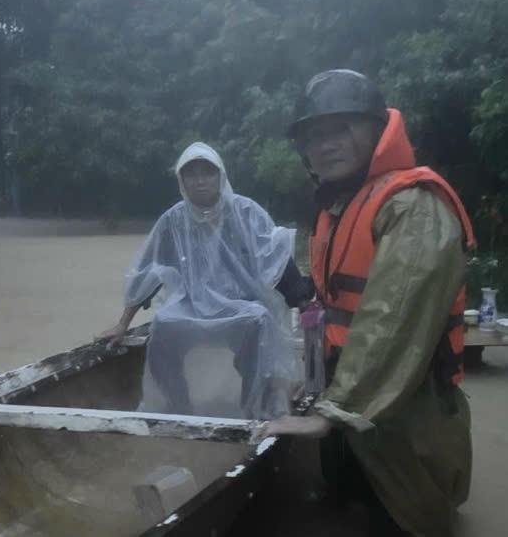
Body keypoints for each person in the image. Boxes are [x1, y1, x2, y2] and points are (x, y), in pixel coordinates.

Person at [265, 69, 474, 537]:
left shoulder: (412, 206)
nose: (326, 144)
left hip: (405, 407)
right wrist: (314, 379)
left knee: (405, 517)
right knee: (344, 503)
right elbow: (328, 307)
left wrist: (330, 410)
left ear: (378, 130)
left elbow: (392, 322)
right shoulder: (337, 206)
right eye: (314, 135)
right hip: (346, 392)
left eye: (342, 128)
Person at [98, 142, 311, 420]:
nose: (200, 180)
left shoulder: (246, 212)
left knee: (259, 320)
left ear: (220, 176)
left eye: (207, 173)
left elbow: (279, 263)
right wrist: (123, 323)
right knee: (163, 323)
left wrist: (304, 303)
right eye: (191, 174)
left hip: (241, 307)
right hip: (193, 308)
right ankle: (177, 406)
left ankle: (255, 408)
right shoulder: (172, 220)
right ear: (181, 181)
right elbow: (149, 271)